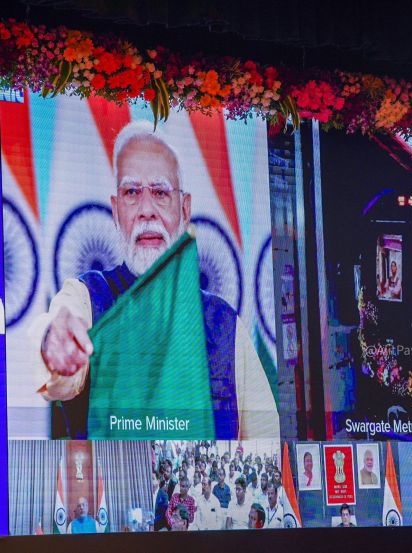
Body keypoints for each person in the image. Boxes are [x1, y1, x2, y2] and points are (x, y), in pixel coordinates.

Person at [29, 120, 280, 441]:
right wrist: (54, 343)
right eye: (132, 192)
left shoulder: (224, 324)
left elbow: (266, 445)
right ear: (116, 209)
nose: (146, 209)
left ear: (184, 209)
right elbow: (57, 363)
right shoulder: (86, 297)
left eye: (161, 192)